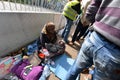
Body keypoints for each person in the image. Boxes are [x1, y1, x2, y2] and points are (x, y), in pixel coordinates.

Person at [65, 0, 120, 80]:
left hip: (94, 38)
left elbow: (92, 9)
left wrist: (96, 23)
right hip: (115, 53)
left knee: (73, 71)